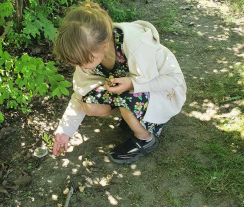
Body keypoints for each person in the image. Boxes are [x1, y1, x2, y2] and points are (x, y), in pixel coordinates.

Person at [52, 1, 187, 164]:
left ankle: (146, 139)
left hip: (163, 91)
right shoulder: (89, 51)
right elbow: (80, 92)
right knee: (88, 104)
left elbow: (174, 78)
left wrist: (133, 84)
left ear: (104, 46)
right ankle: (133, 117)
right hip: (131, 90)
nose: (80, 67)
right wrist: (65, 130)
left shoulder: (138, 45)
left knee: (126, 100)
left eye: (82, 62)